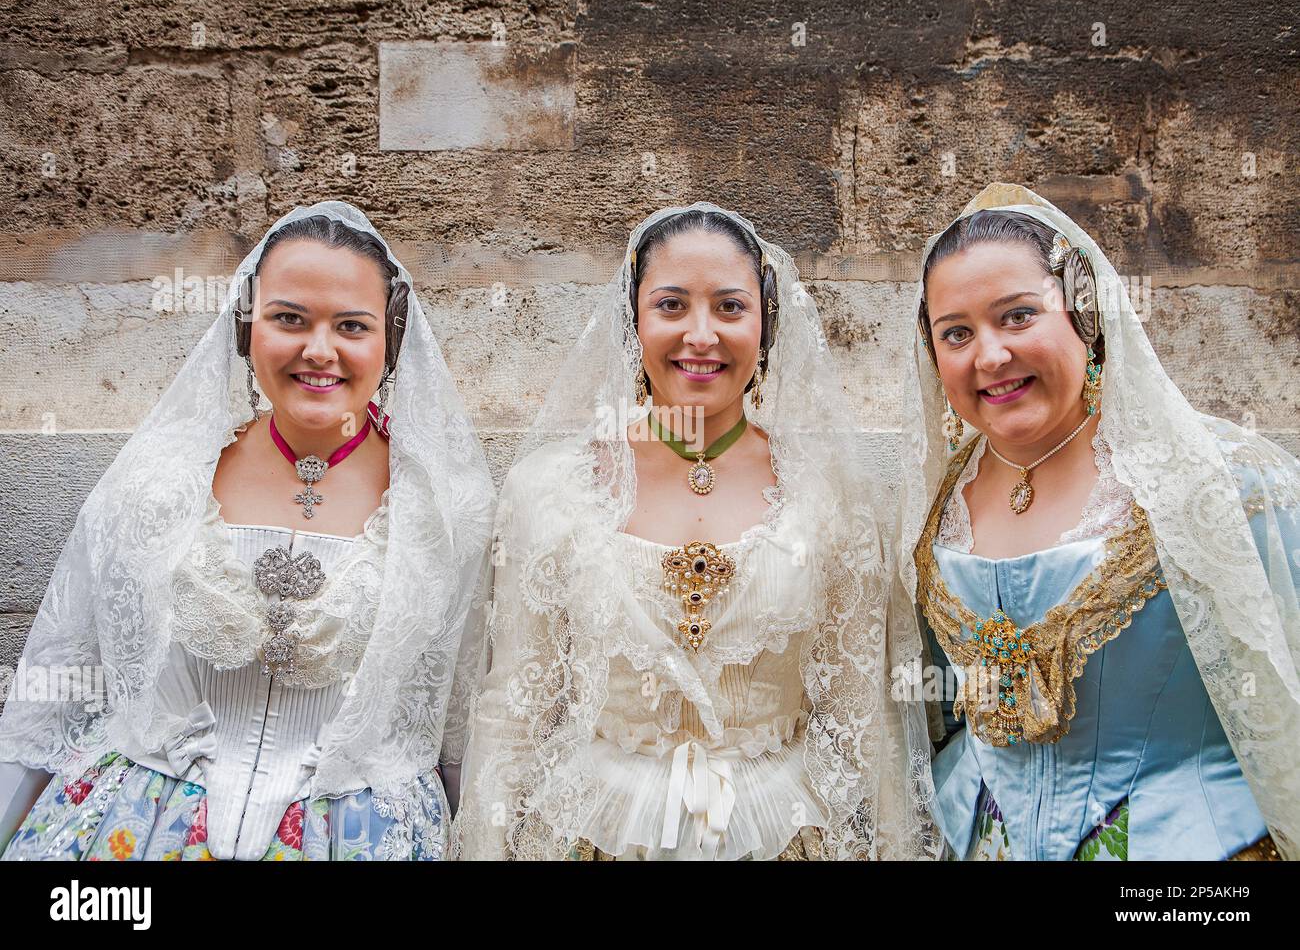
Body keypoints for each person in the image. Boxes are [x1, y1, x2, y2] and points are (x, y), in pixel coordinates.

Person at [0, 201, 494, 860]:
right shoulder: (157, 482)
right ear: (247, 324)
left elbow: (458, 721)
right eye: (289, 318)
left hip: (363, 838)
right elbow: (53, 691)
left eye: (352, 325)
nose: (319, 351)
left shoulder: (445, 508)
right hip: (136, 833)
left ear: (390, 338)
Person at [452, 203, 938, 860]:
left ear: (765, 323)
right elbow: (515, 706)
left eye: (730, 307)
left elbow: (864, 716)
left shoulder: (830, 497)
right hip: (598, 828)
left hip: (783, 829)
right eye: (672, 306)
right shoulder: (551, 490)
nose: (701, 335)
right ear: (635, 319)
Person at [900, 182, 1299, 860]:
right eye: (957, 333)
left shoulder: (1225, 484)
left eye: (1018, 316)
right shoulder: (935, 505)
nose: (989, 356)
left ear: (1085, 311)